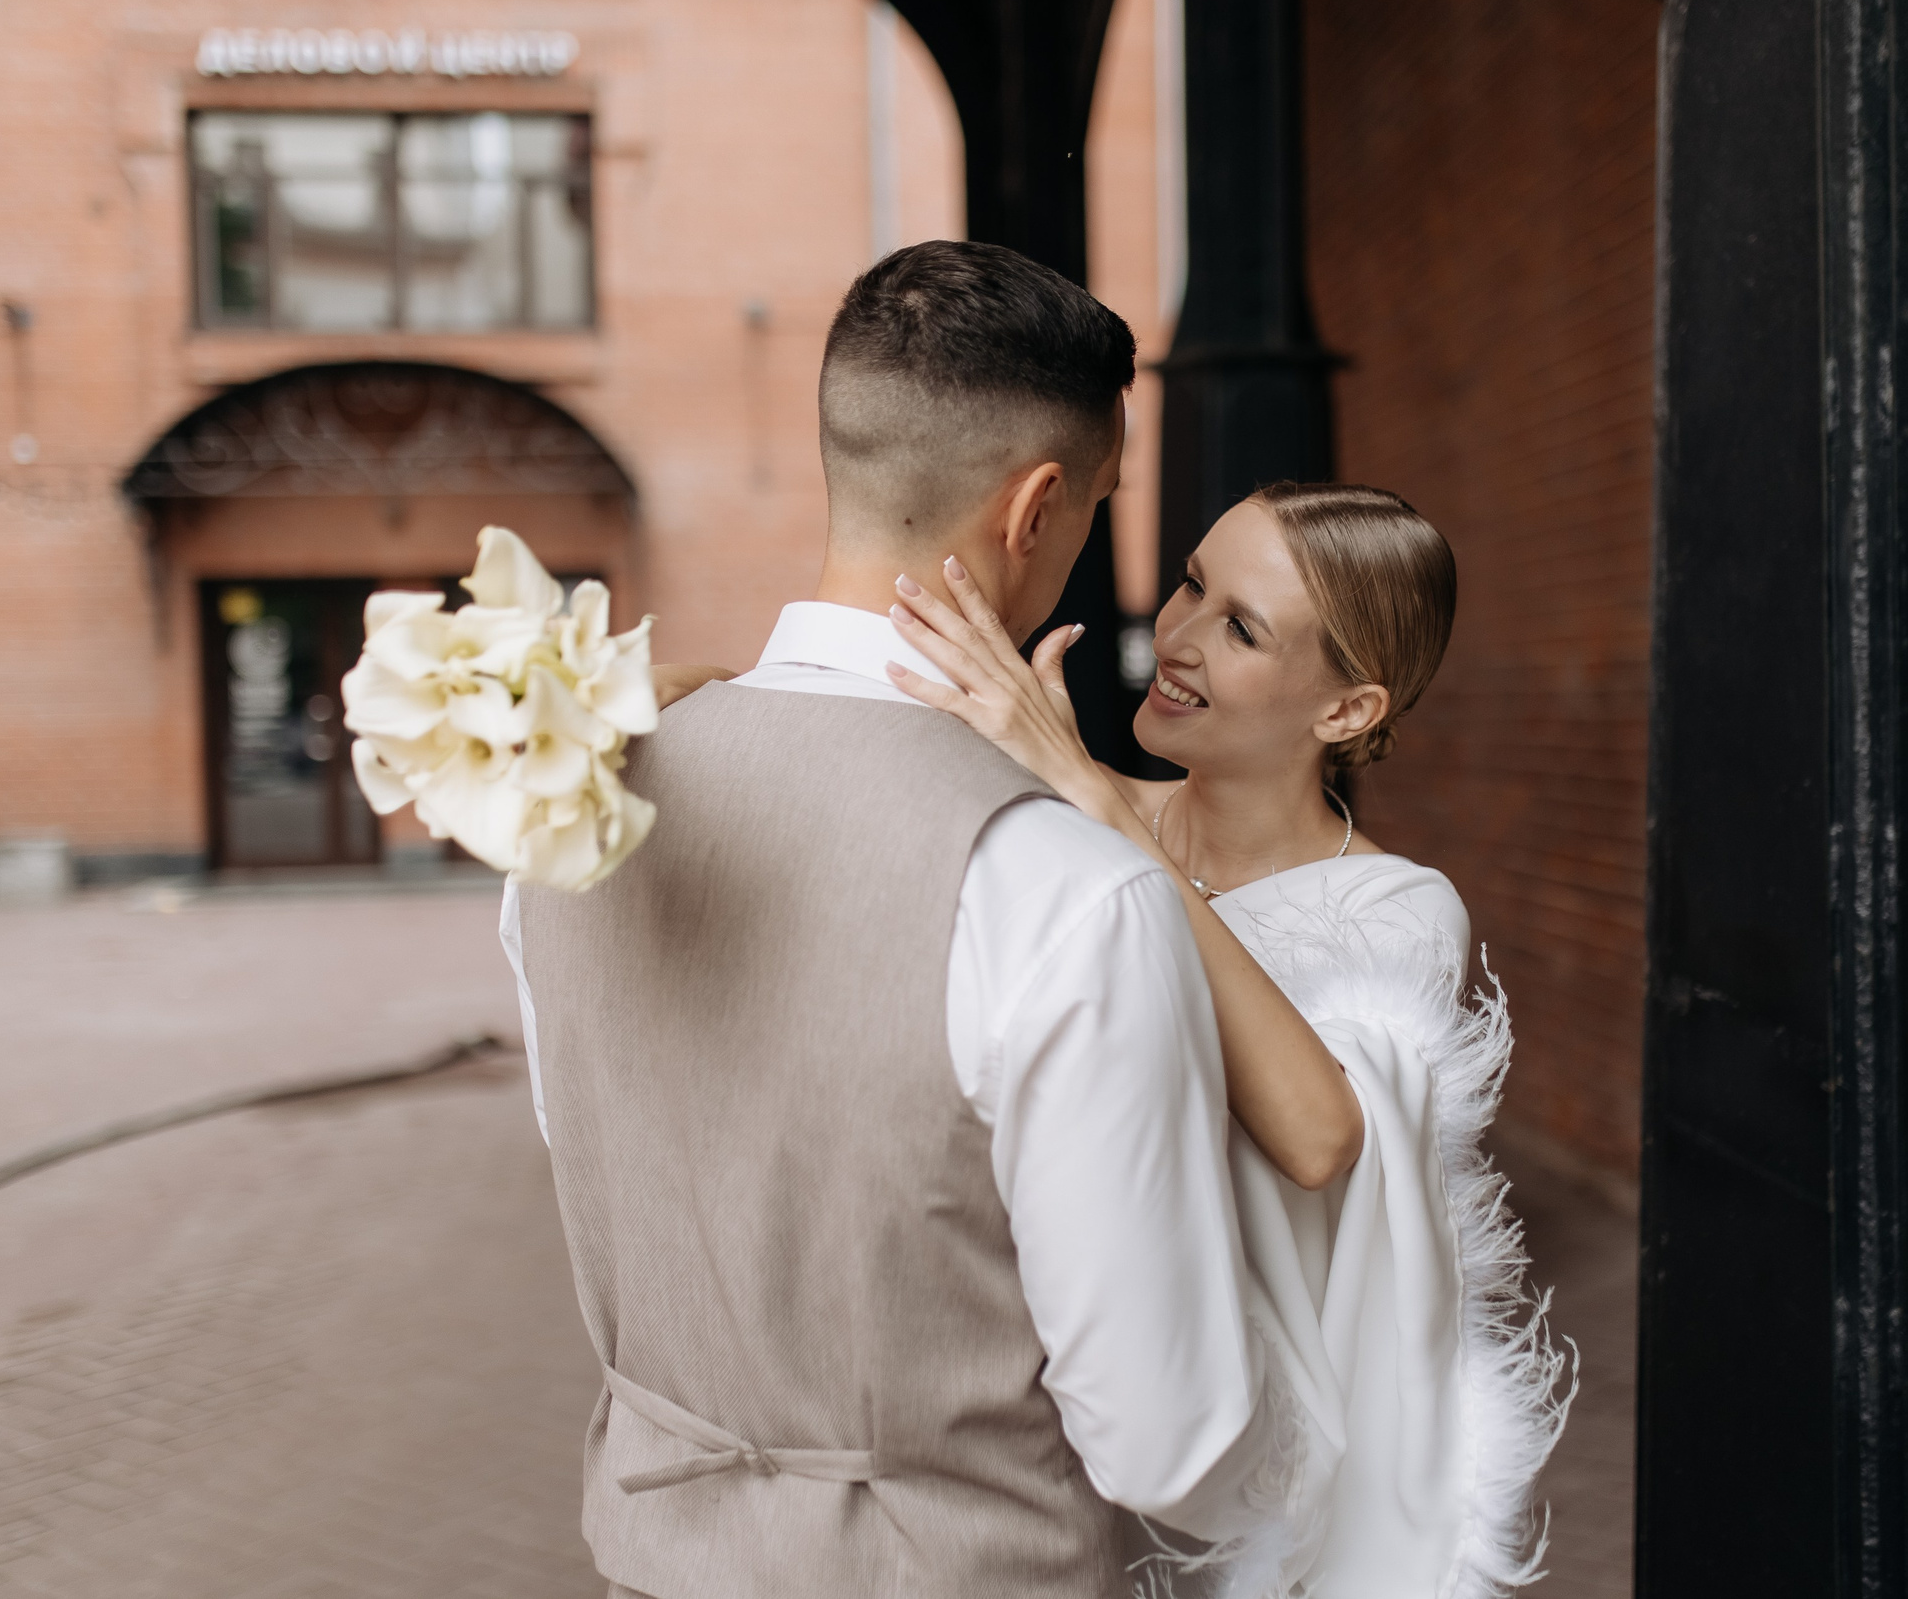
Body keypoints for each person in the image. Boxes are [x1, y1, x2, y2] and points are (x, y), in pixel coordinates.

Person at [503, 240, 1308, 1599]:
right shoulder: (1066, 887)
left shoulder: (564, 805)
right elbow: (1166, 1436)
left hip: (647, 1559)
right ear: (1037, 505)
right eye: (1097, 505)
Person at [656, 483, 1575, 1595]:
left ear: (1346, 711)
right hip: (1021, 1411)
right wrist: (694, 697)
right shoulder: (1055, 800)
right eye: (1191, 582)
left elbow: (1318, 1137)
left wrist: (1086, 797)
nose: (1175, 639)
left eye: (1239, 628)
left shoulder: (1397, 909)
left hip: (1227, 1447)